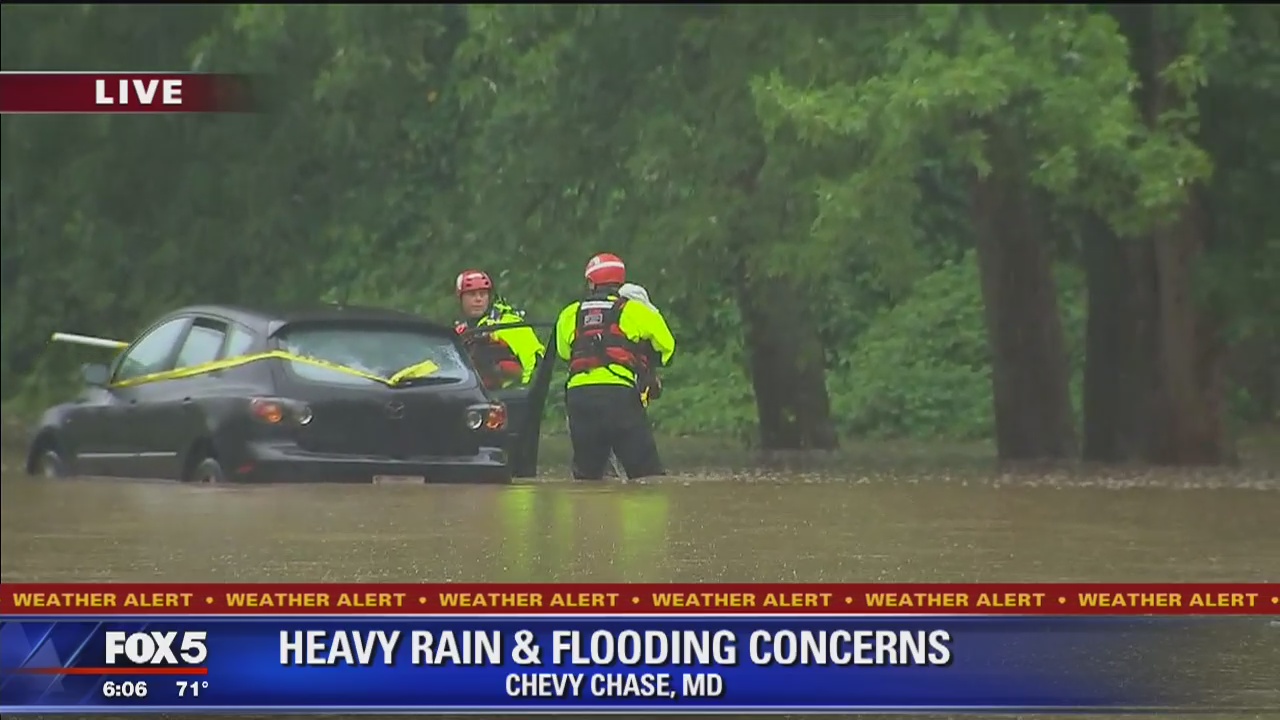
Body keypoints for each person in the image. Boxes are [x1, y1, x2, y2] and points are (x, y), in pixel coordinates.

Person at [555, 253, 676, 480]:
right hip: (619, 396)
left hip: (579, 397)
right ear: (621, 282)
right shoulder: (636, 310)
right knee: (647, 477)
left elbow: (564, 352)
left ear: (591, 282)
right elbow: (667, 347)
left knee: (587, 476)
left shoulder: (569, 313)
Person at [453, 270, 545, 390]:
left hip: (508, 396)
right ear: (460, 299)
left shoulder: (507, 322)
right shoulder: (459, 333)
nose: (478, 299)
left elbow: (534, 359)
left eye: (483, 294)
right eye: (472, 294)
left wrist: (524, 389)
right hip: (471, 397)